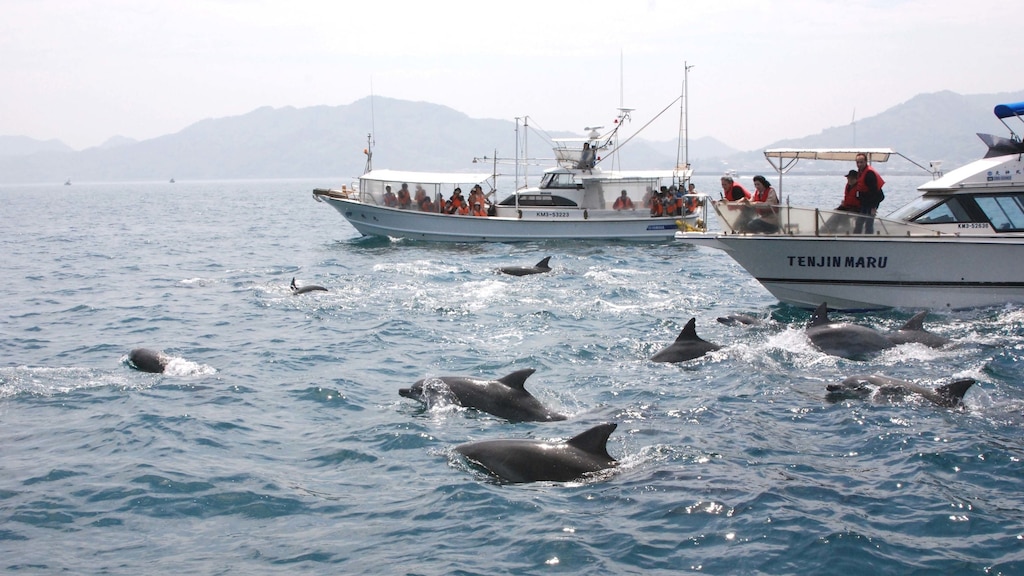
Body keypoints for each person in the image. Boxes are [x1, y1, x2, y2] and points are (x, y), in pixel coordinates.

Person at [852, 153, 886, 234]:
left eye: (861, 162)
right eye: (858, 162)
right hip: (865, 202)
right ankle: (856, 238)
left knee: (868, 223)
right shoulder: (860, 172)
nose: (859, 164)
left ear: (865, 162)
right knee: (859, 222)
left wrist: (873, 207)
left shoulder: (869, 174)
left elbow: (875, 192)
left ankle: (868, 238)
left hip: (872, 202)